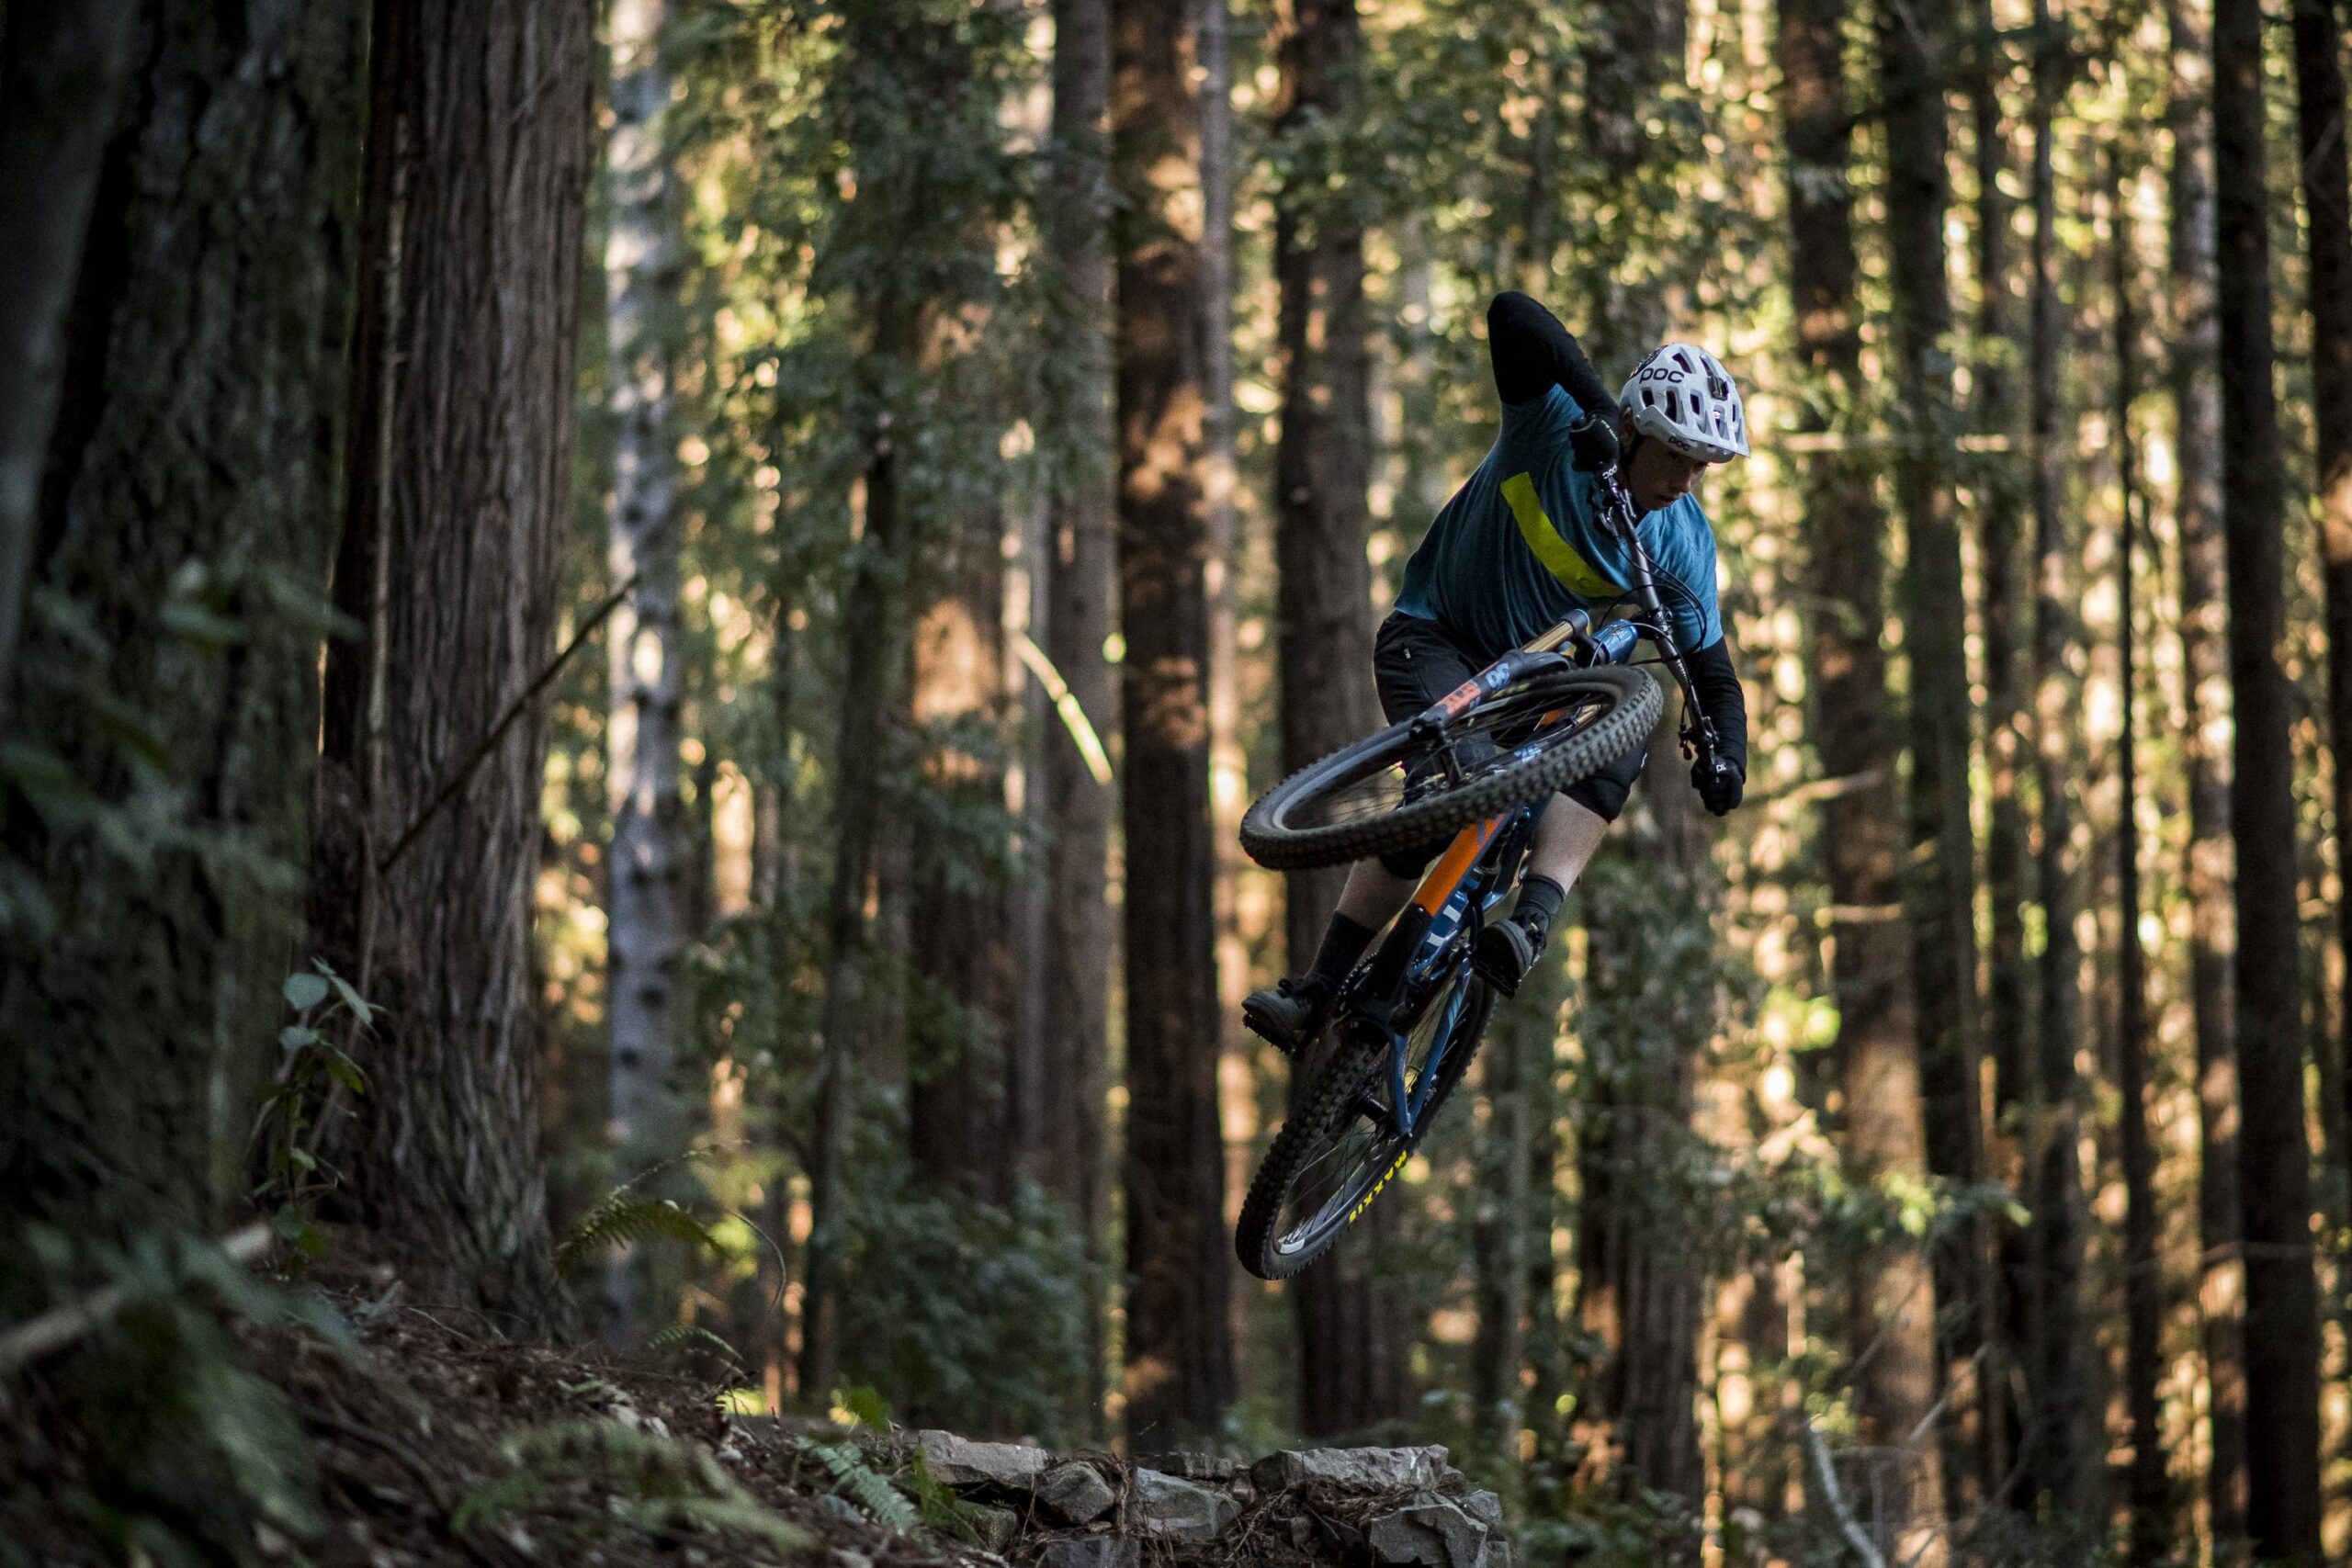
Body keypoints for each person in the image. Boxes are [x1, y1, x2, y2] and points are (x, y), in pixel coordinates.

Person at [1242, 291, 1753, 1055]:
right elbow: (1513, 315)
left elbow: (1712, 674)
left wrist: (1729, 756)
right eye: (1675, 453)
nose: (1685, 477)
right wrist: (1592, 409)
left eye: (1701, 463)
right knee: (1447, 798)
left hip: (1531, 687)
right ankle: (1315, 992)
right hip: (1433, 639)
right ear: (1632, 429)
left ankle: (1530, 921)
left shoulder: (1682, 542)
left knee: (1630, 719)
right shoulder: (1549, 430)